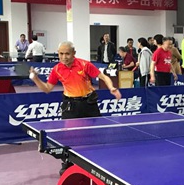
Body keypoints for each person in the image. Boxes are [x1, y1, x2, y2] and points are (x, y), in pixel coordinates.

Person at [28, 41, 121, 174]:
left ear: (74, 53)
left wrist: (111, 87)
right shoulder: (57, 69)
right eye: (61, 54)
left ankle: (96, 160)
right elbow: (47, 88)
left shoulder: (84, 65)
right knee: (69, 136)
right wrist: (36, 79)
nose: (64, 57)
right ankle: (68, 161)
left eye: (67, 54)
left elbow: (103, 77)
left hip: (88, 104)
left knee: (95, 133)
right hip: (70, 105)